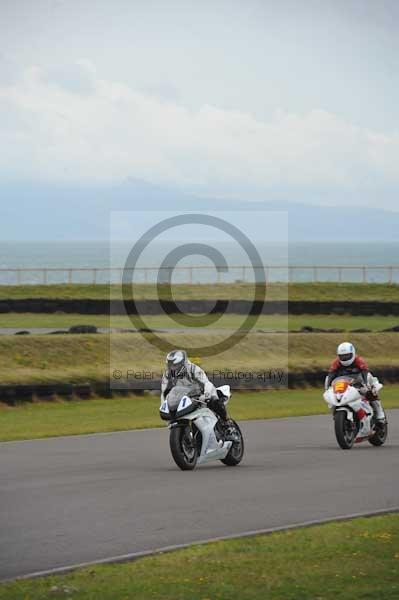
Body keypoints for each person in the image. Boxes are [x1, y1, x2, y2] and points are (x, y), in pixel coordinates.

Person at [161, 349, 234, 434]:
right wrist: (166, 408)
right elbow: (165, 393)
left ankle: (226, 422)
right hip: (186, 397)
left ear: (182, 363)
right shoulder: (167, 375)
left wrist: (207, 395)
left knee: (213, 401)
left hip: (203, 393)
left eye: (175, 365)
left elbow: (206, 383)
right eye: (170, 365)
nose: (172, 368)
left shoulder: (193, 369)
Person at [326, 342, 385, 436]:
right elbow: (331, 374)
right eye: (342, 356)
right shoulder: (336, 362)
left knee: (371, 392)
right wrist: (328, 387)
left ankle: (380, 415)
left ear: (353, 353)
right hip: (346, 383)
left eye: (347, 356)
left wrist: (365, 384)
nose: (344, 358)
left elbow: (365, 371)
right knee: (335, 397)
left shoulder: (358, 360)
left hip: (361, 380)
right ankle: (341, 417)